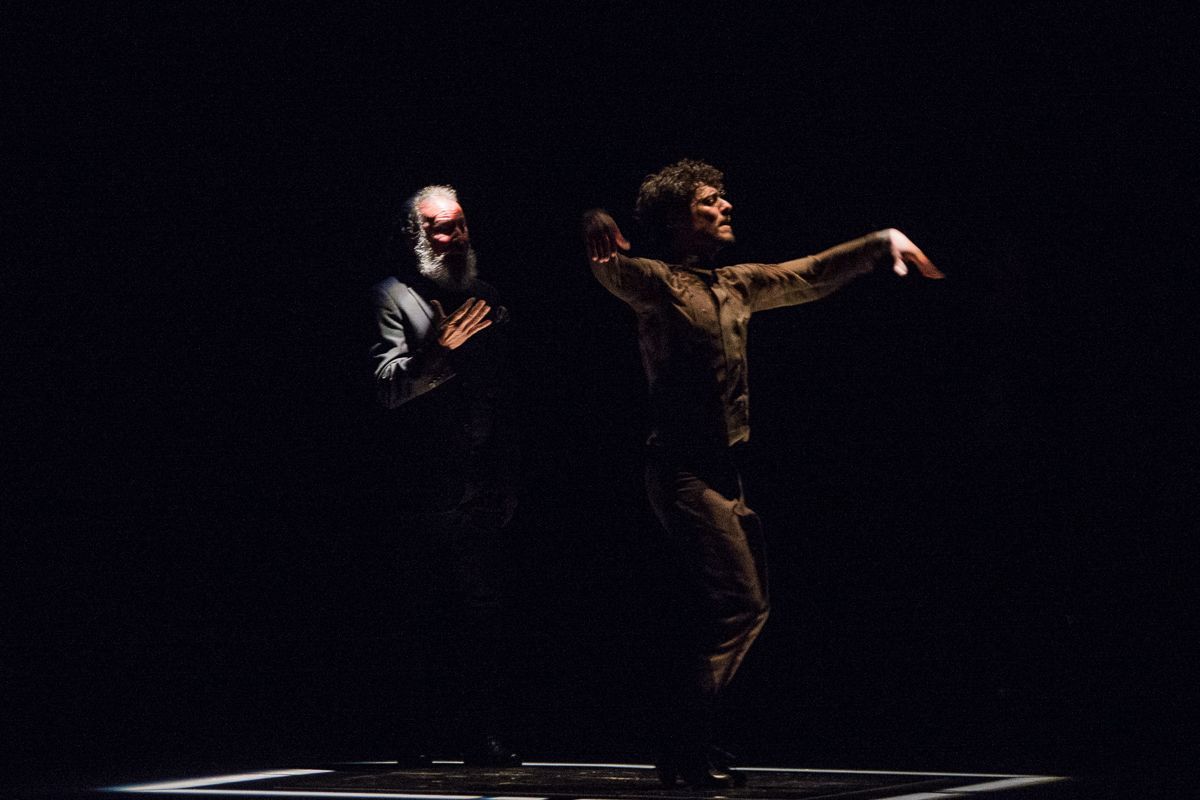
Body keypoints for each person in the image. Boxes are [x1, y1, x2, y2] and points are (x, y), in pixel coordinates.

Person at [582, 159, 943, 787]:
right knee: (740, 604)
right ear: (676, 217)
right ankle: (684, 744)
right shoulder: (656, 282)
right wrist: (595, 225)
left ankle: (687, 740)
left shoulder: (738, 283)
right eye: (708, 201)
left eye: (724, 198)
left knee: (741, 606)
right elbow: (611, 270)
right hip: (683, 472)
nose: (725, 207)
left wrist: (881, 242)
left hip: (727, 472)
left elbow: (807, 274)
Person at [369, 184, 521, 767]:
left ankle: (481, 735)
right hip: (416, 485)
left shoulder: (486, 296)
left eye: (459, 226)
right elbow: (385, 388)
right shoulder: (391, 296)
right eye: (439, 228)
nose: (454, 238)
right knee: (421, 611)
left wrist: (507, 474)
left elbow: (507, 396)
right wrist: (440, 352)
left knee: (481, 612)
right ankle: (416, 735)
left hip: (477, 483)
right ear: (416, 237)